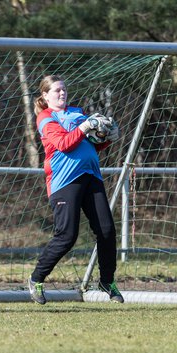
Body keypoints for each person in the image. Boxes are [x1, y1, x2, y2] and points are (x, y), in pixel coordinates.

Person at [28, 74, 124, 304]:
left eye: (63, 89)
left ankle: (106, 281)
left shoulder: (77, 112)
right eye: (56, 90)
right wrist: (84, 126)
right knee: (67, 235)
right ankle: (36, 279)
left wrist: (107, 138)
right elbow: (64, 144)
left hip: (91, 176)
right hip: (64, 182)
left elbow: (88, 144)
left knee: (107, 230)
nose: (61, 93)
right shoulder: (45, 117)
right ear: (45, 95)